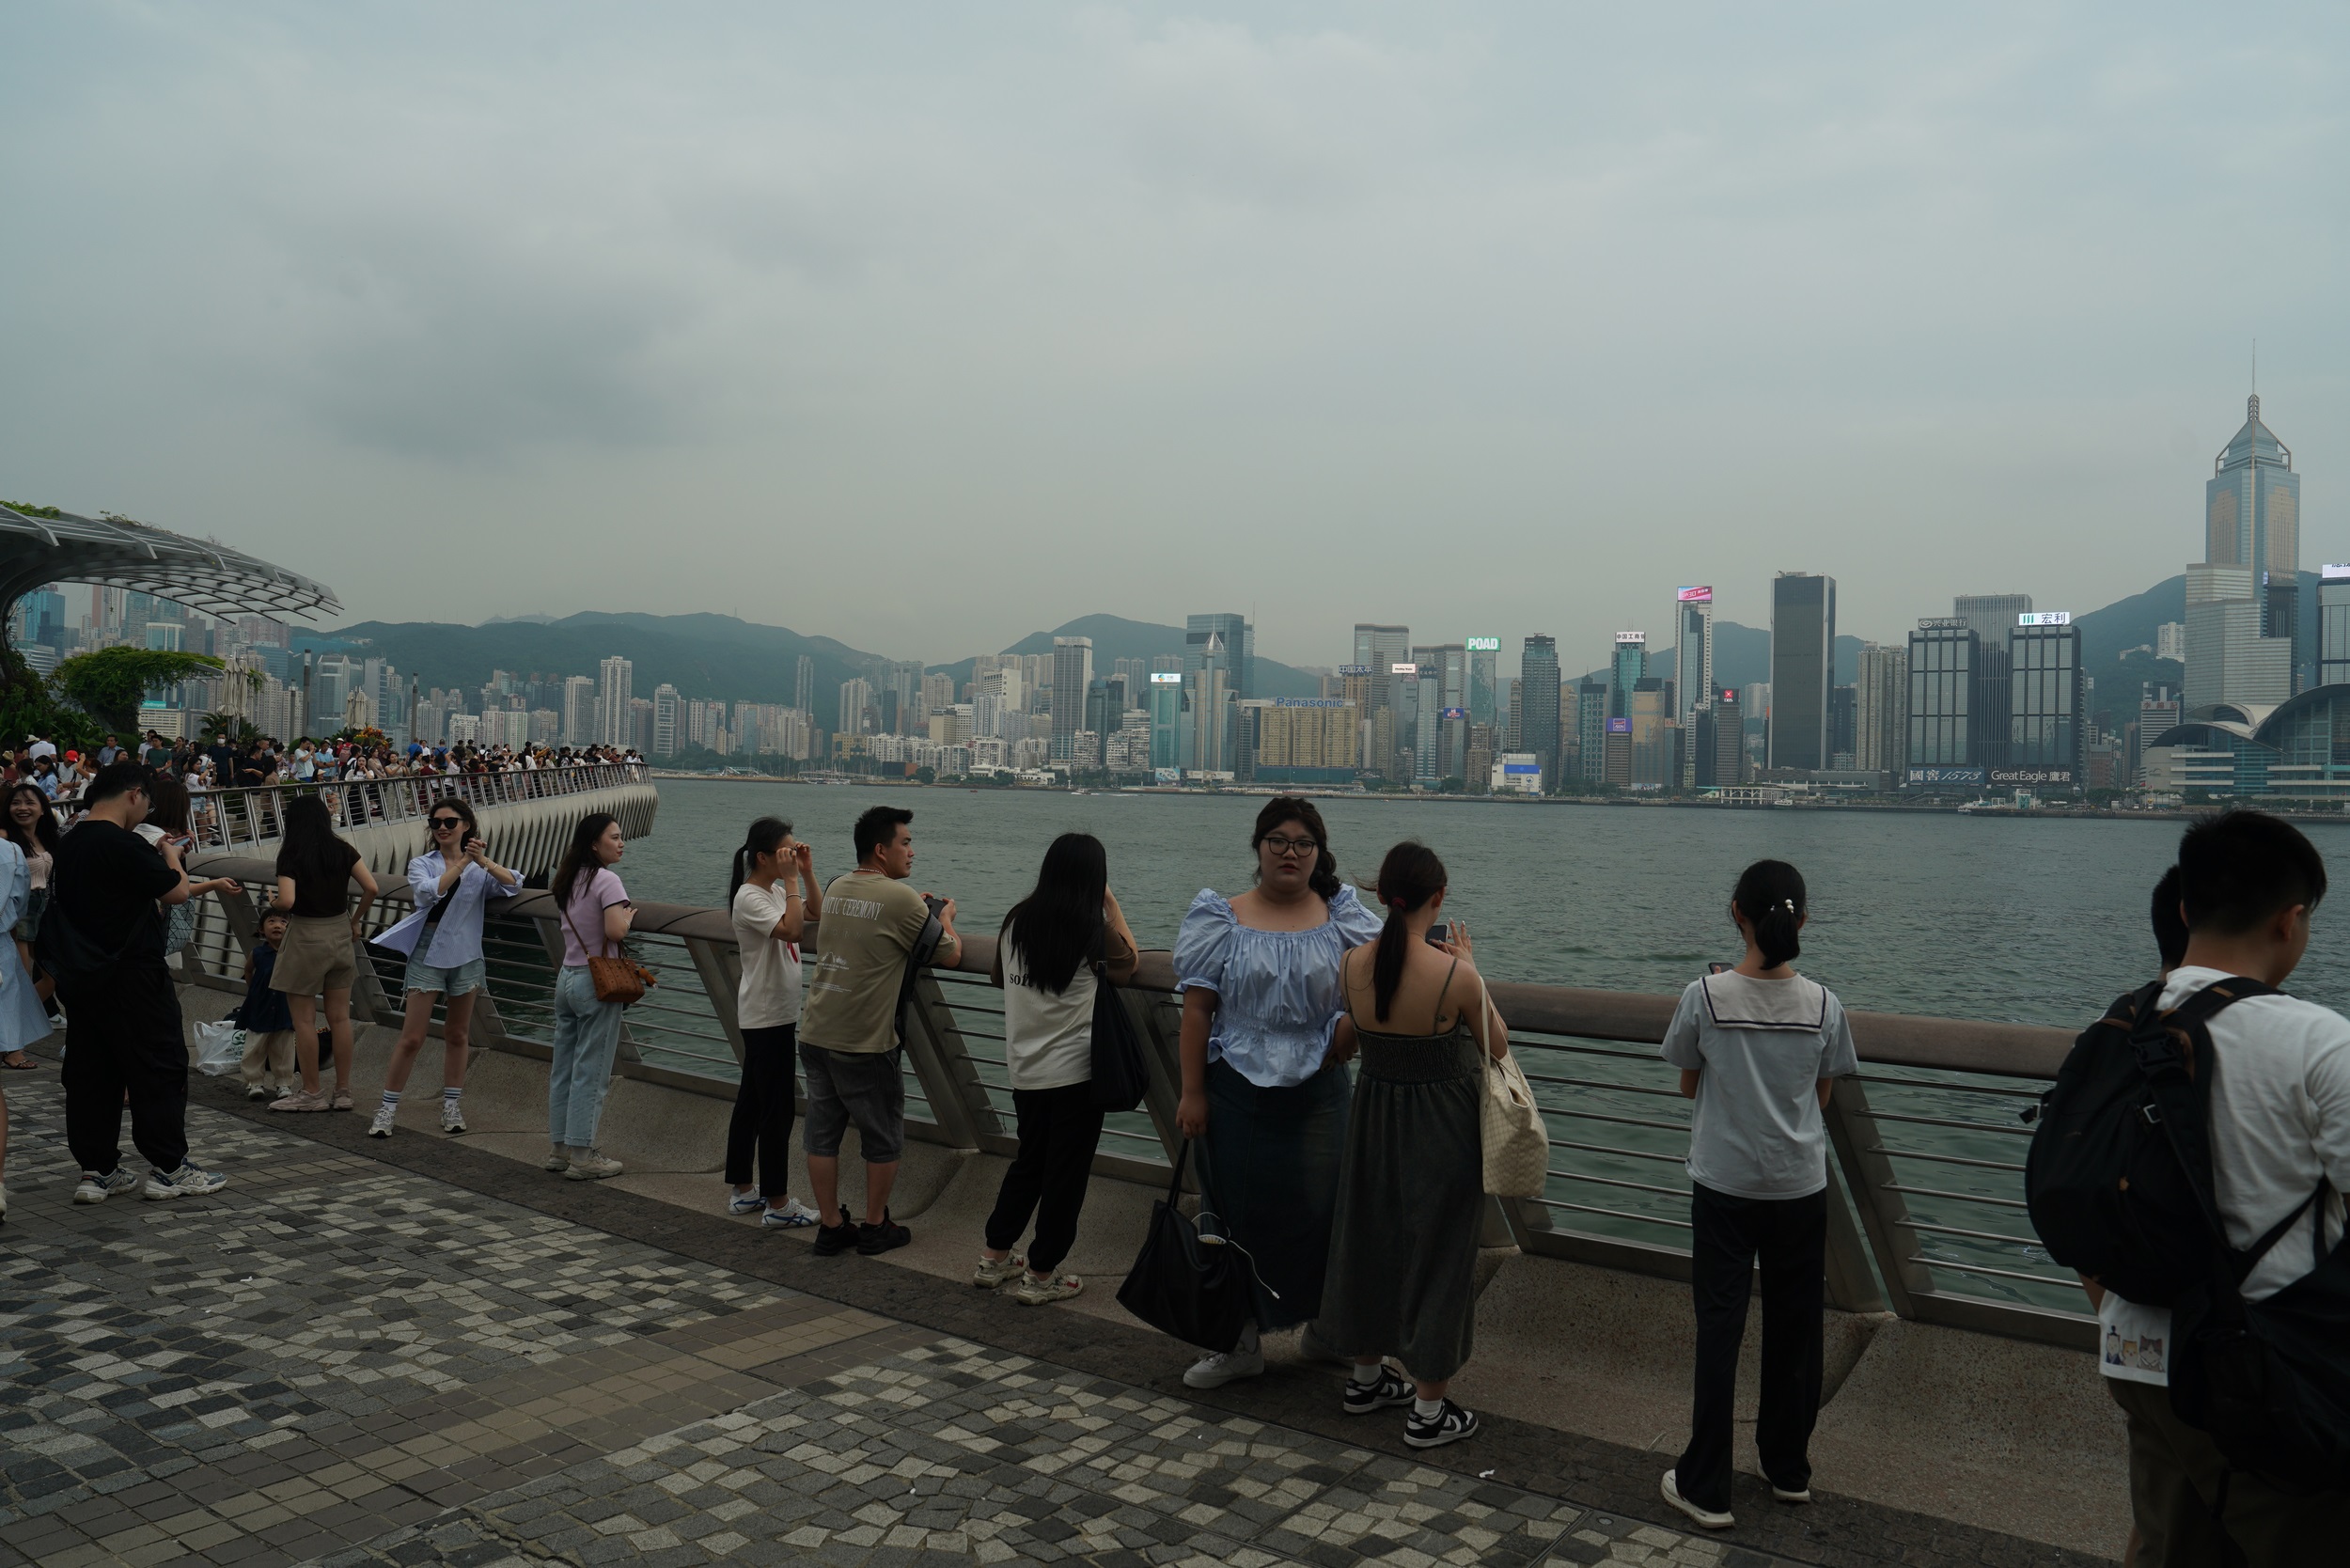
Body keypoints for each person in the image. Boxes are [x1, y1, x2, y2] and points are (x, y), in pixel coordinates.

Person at [2089, 814, 2350, 1565]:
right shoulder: (2318, 1041)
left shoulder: (2118, 1025)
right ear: (2291, 920)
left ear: (2182, 909)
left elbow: (2082, 1191)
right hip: (2270, 1374)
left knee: (2173, 1543)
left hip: (2139, 1355)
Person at [1656, 859, 1858, 1532]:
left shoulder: (1705, 997)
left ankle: (1707, 1485)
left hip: (1724, 1184)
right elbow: (1822, 1096)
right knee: (1795, 1328)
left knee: (1721, 1329)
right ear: (1802, 921)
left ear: (1736, 913)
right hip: (1799, 1185)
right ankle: (1788, 1468)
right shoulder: (1825, 1004)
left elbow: (1689, 1084)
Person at [1173, 797, 1383, 1388]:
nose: (1290, 853)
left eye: (1303, 844)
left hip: (1321, 1092)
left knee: (1327, 1213)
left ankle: (1328, 1332)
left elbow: (1381, 985)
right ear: (1258, 847)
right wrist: (1192, 1093)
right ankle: (1238, 1342)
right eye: (1278, 841)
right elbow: (1196, 1013)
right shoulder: (1221, 917)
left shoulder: (1343, 915)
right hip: (1234, 1088)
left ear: (1318, 853)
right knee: (1234, 1212)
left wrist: (1349, 1031)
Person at [1320, 842, 1504, 1449]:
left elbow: (1350, 1034)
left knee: (1370, 1240)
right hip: (1441, 1129)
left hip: (1373, 1118)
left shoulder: (1351, 964)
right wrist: (1472, 967)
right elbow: (1496, 1045)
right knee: (1440, 1255)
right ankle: (1428, 1412)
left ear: (1380, 896)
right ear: (1440, 899)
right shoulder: (1454, 975)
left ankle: (1367, 1379)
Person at [975, 833, 1137, 1306]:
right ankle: (1042, 1275)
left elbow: (1000, 978)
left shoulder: (1015, 921)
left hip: (1025, 1069)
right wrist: (1112, 905)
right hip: (1075, 1075)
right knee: (1065, 1176)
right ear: (1095, 877)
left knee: (1030, 1163)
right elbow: (1128, 963)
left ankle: (994, 1257)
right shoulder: (1090, 927)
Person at [55, 762, 227, 1203]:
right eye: (147, 802)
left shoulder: (69, 843)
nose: (146, 811)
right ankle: (169, 1168)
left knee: (92, 1071)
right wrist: (170, 856)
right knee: (158, 1066)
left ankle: (97, 1170)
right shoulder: (123, 844)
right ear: (134, 794)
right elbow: (176, 892)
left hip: (83, 977)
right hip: (133, 975)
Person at [798, 806, 962, 1258]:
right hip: (865, 1040)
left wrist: (916, 911)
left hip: (815, 1030)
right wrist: (944, 918)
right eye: (905, 842)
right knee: (883, 1135)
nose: (912, 850)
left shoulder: (836, 887)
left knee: (821, 1134)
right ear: (880, 849)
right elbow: (947, 954)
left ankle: (831, 1226)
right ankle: (874, 1226)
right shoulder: (902, 898)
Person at [365, 797, 521, 1138]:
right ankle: (387, 1108)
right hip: (427, 951)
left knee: (458, 1034)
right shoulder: (423, 863)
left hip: (466, 954)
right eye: (436, 823)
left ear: (466, 825)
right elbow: (427, 894)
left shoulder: (480, 867)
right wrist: (464, 862)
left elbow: (512, 884)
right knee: (412, 1037)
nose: (443, 829)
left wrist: (483, 861)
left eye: (450, 822)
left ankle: (452, 1104)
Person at [723, 816, 822, 1227]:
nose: (791, 857)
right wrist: (792, 882)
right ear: (762, 857)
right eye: (785, 851)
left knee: (751, 1101)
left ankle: (744, 1191)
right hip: (766, 1016)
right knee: (776, 1109)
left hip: (772, 1013)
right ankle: (778, 1203)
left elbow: (815, 912)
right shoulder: (751, 897)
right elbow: (794, 931)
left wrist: (807, 873)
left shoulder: (777, 889)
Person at [266, 795, 377, 1112]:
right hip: (340, 933)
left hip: (305, 937)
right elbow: (371, 887)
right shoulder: (342, 849)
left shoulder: (291, 853)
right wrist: (354, 922)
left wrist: (272, 902)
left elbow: (287, 902)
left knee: (303, 1019)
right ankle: (343, 1092)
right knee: (340, 1017)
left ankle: (312, 1093)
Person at [547, 812, 633, 1179]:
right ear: (594, 844)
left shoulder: (569, 878)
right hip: (596, 983)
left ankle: (560, 1150)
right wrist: (629, 919)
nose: (621, 842)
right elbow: (615, 932)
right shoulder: (607, 880)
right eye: (614, 837)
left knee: (563, 1068)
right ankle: (583, 1157)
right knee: (591, 1071)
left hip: (567, 977)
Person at [1, 784, 57, 1068]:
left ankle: (12, 1034)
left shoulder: (49, 838)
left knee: (52, 977)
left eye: (29, 802)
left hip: (45, 912)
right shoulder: (6, 839)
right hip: (18, 914)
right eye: (16, 803)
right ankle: (13, 1048)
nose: (22, 808)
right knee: (19, 979)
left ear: (42, 807)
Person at [234, 910, 299, 1099]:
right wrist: (253, 989)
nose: (277, 925)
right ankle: (254, 1082)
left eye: (283, 922)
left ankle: (283, 1083)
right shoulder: (258, 953)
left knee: (284, 1047)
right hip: (260, 1006)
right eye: (271, 921)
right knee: (254, 1046)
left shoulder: (293, 952)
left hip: (284, 1005)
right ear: (261, 929)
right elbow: (248, 970)